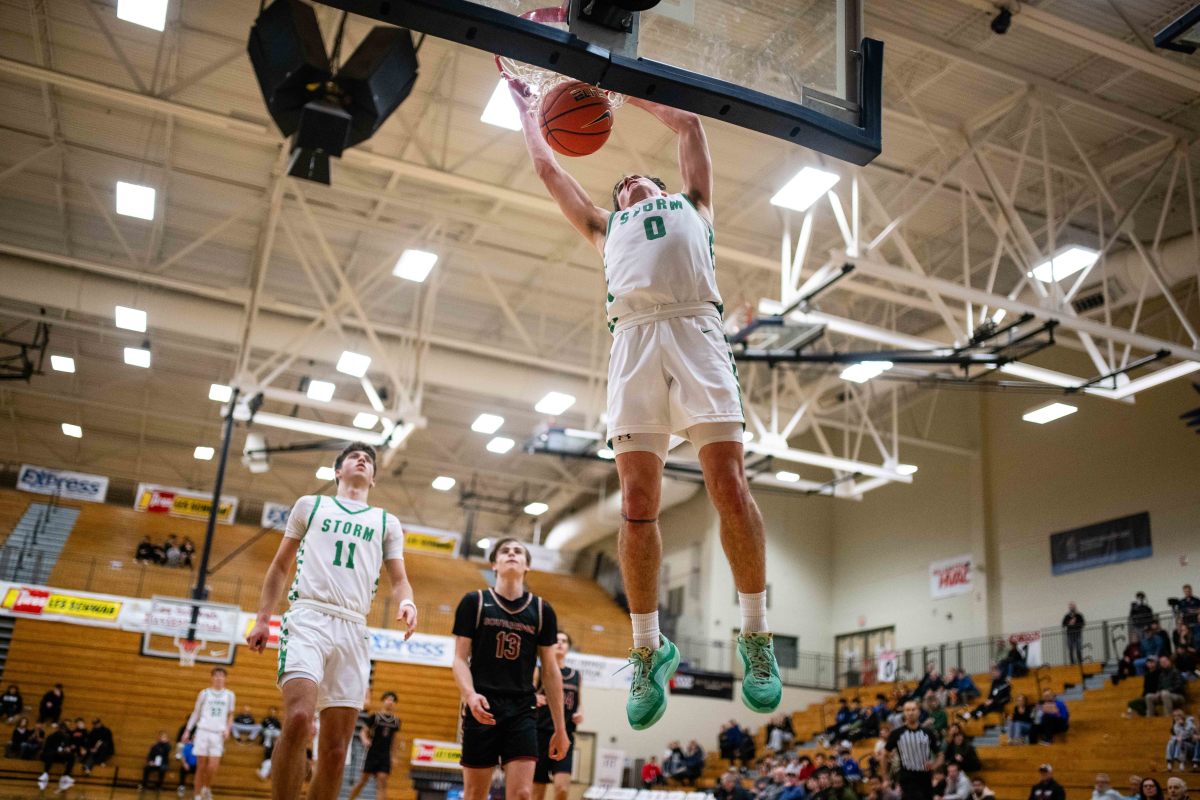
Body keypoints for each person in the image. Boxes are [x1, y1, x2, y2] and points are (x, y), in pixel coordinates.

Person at [511, 79, 781, 729]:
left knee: (729, 485)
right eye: (621, 183)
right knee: (636, 507)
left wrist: (622, 93)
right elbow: (548, 166)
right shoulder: (606, 228)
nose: (630, 181)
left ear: (660, 189)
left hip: (696, 333)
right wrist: (527, 108)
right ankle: (646, 646)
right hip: (632, 346)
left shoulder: (695, 204)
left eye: (639, 178)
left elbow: (689, 127)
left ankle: (756, 635)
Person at [246, 442, 417, 800]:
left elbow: (399, 579)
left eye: (368, 460)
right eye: (355, 457)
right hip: (309, 617)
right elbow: (280, 565)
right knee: (298, 719)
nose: (362, 461)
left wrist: (408, 603)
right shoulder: (311, 505)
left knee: (338, 750)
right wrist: (263, 619)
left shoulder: (387, 522)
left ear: (373, 479)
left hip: (353, 627)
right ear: (338, 471)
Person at [452, 538, 568, 800]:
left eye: (518, 552)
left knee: (523, 794)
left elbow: (550, 671)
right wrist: (470, 695)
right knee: (474, 795)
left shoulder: (541, 610)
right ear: (494, 564)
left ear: (527, 566)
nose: (512, 554)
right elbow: (459, 659)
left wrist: (560, 728)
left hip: (521, 709)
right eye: (505, 551)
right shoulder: (474, 602)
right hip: (482, 705)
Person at [534, 631, 583, 800]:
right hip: (540, 735)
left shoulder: (576, 675)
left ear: (568, 647)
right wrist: (533, 698)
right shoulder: (539, 671)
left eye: (564, 641)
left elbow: (580, 704)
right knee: (536, 792)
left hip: (565, 736)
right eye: (557, 640)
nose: (560, 643)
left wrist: (579, 713)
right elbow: (526, 698)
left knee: (562, 789)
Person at [182, 667, 235, 800]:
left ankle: (206, 787)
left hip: (218, 734)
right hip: (203, 732)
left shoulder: (229, 695)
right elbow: (196, 713)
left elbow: (230, 715)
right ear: (211, 678)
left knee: (212, 766)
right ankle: (197, 795)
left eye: (221, 676)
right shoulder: (204, 693)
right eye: (216, 675)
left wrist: (228, 729)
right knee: (201, 766)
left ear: (225, 678)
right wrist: (188, 730)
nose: (218, 678)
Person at [347, 691, 401, 800]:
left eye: (393, 700)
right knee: (363, 780)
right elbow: (363, 732)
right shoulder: (375, 717)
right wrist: (365, 740)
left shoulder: (396, 721)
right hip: (372, 752)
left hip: (385, 754)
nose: (390, 702)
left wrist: (394, 756)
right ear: (383, 701)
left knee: (382, 781)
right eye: (388, 699)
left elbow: (395, 739)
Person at [885, 700, 940, 800]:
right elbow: (884, 755)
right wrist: (885, 777)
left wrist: (935, 766)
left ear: (918, 712)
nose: (910, 713)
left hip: (926, 777)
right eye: (907, 710)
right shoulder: (896, 733)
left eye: (913, 710)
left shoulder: (928, 732)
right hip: (907, 776)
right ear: (904, 713)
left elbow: (940, 754)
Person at [37, 721, 75, 793]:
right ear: (58, 729)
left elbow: (65, 747)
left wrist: (67, 749)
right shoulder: (51, 736)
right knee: (51, 753)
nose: (62, 730)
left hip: (60, 755)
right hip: (50, 754)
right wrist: (58, 750)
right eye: (61, 729)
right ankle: (45, 773)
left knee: (71, 756)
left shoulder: (67, 737)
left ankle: (65, 775)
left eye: (64, 729)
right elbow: (47, 748)